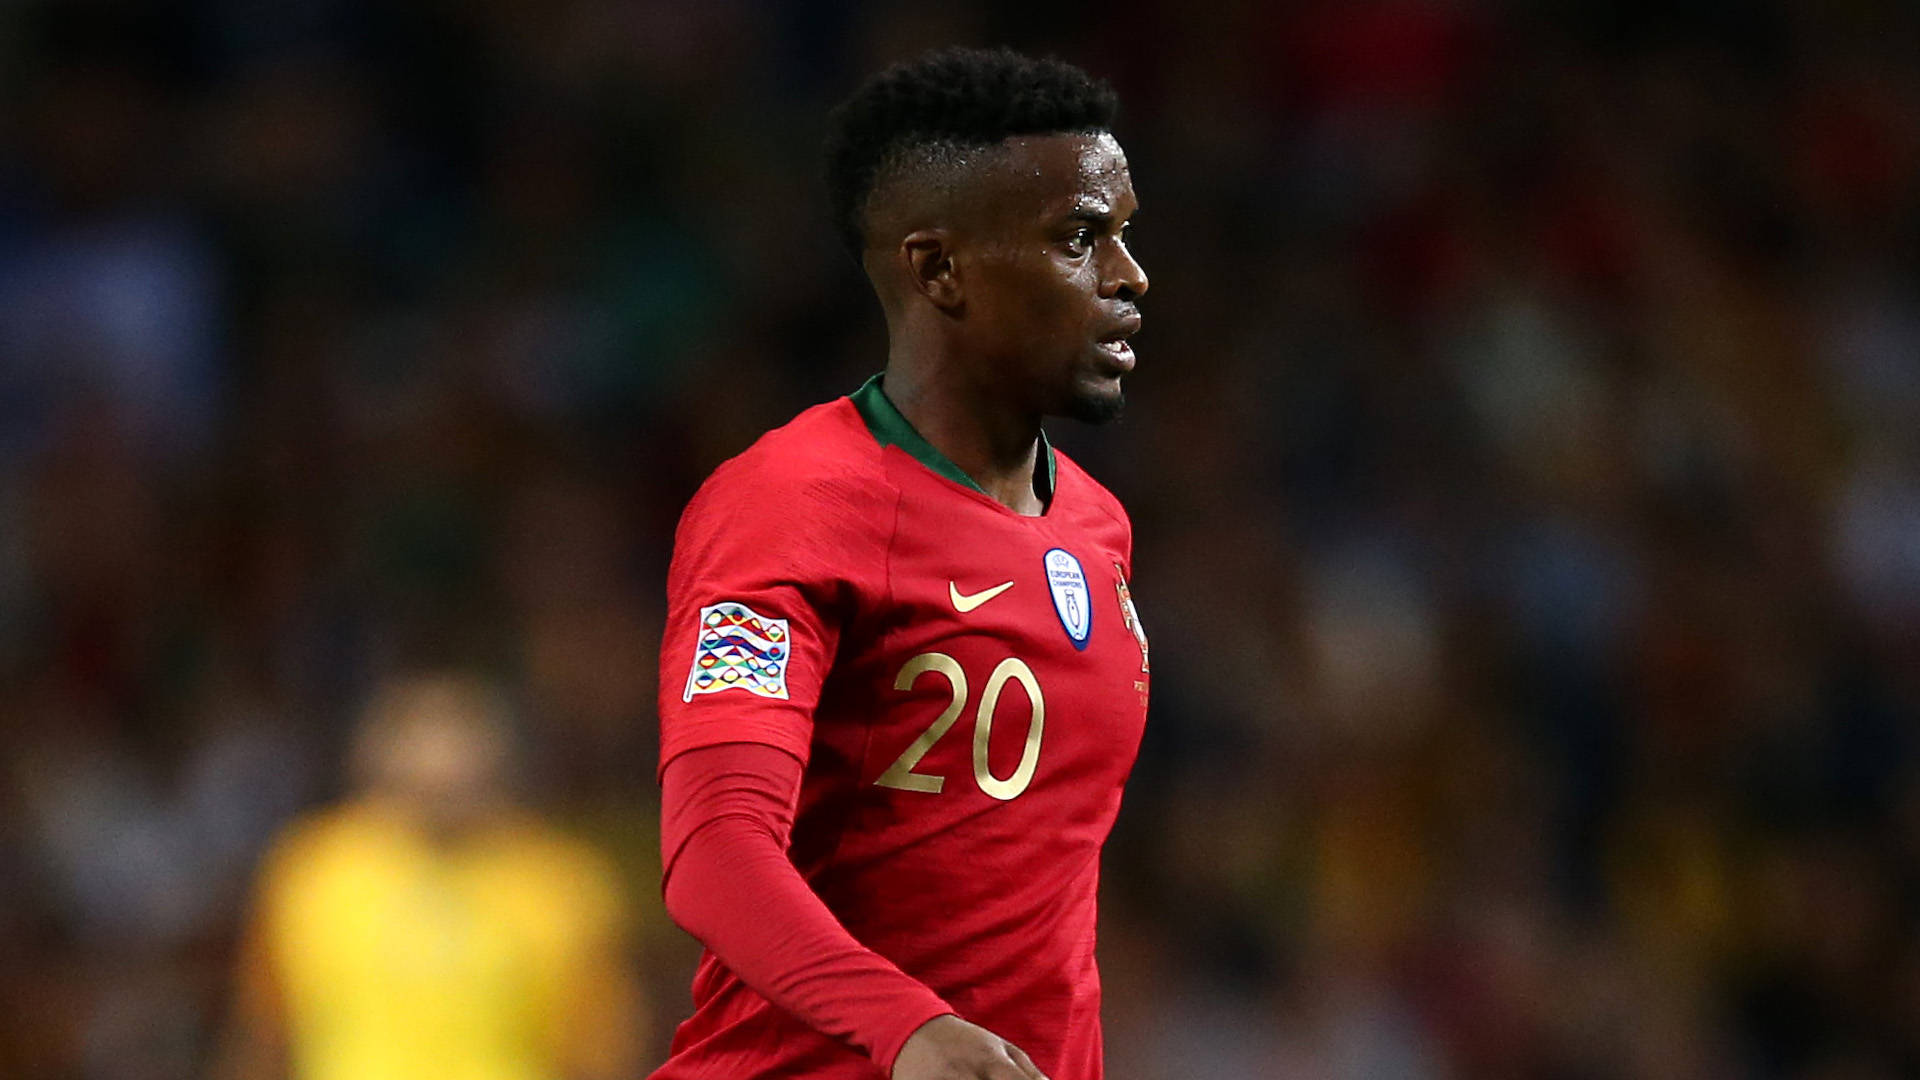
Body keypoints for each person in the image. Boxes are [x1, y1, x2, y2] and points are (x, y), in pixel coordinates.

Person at [651, 47, 1152, 1080]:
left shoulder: (1096, 527)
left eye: (1123, 233)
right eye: (1079, 237)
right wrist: (909, 1028)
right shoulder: (792, 503)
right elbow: (715, 850)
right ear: (938, 270)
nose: (1128, 275)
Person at [217, 672, 649, 1080]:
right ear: (377, 761)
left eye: (459, 755)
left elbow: (601, 1049)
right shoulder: (314, 870)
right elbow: (262, 1033)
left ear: (499, 766)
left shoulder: (557, 882)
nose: (441, 774)